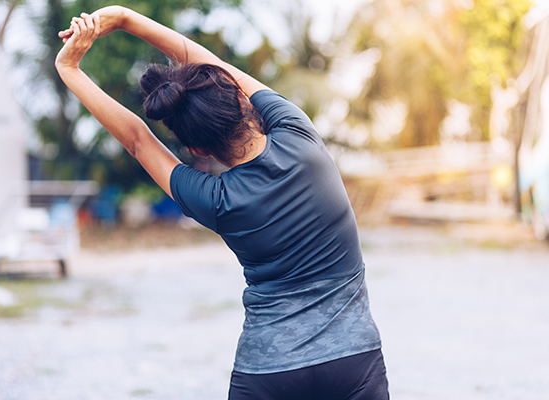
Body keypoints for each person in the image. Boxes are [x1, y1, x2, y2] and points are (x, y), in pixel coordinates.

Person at [55, 6, 389, 399]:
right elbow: (210, 62)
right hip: (354, 360)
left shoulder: (214, 200)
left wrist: (70, 69)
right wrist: (126, 18)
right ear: (241, 99)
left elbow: (139, 141)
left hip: (268, 370)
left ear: (196, 148)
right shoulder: (299, 135)